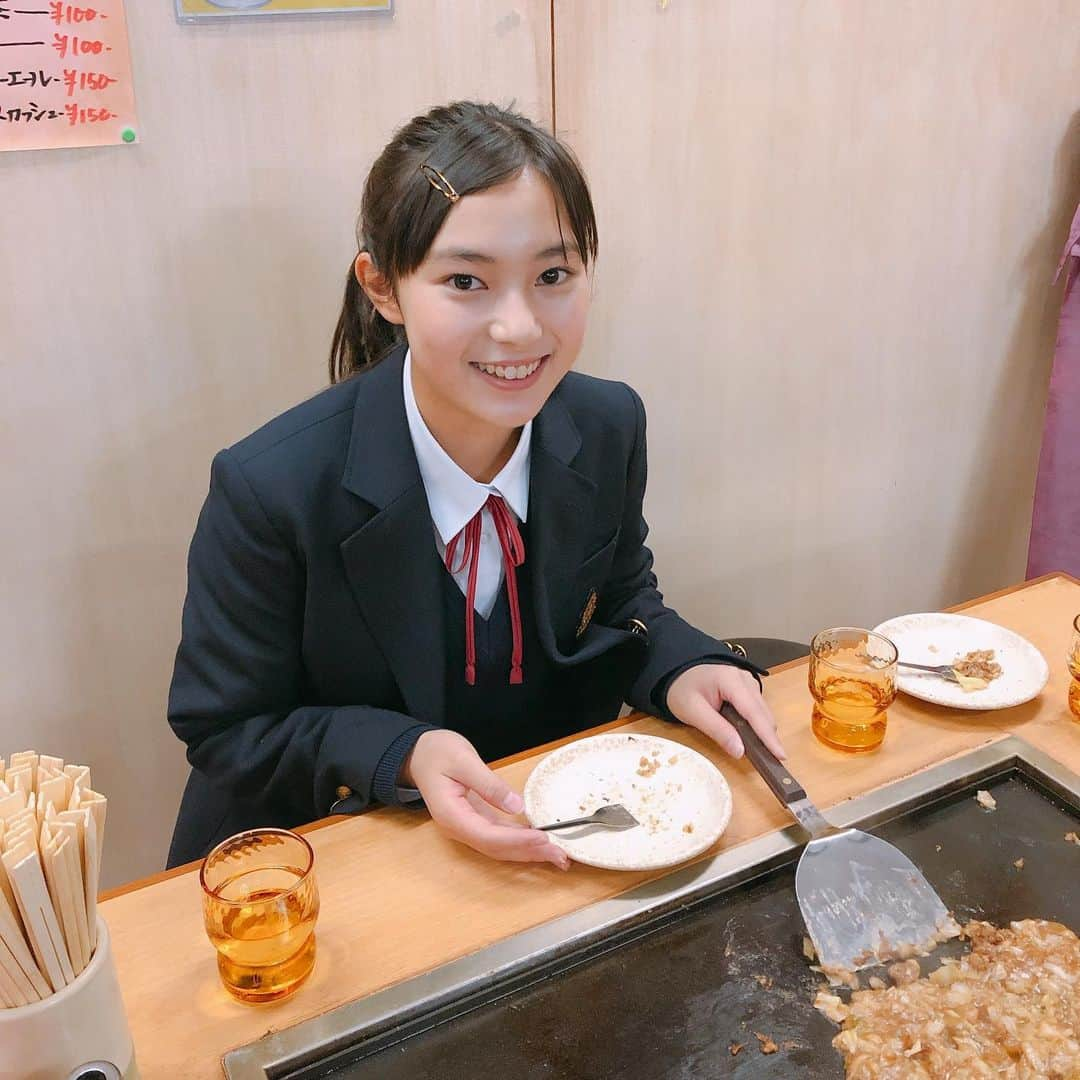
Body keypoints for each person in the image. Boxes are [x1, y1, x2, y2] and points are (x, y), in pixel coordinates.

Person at [166, 101, 784, 871]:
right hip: (337, 852)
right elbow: (226, 728)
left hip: (541, 829)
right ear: (384, 288)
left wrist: (685, 663)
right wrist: (402, 751)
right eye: (467, 281)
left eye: (553, 275)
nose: (521, 328)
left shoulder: (607, 422)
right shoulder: (271, 487)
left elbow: (620, 602)